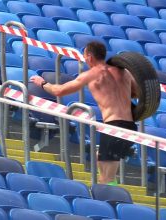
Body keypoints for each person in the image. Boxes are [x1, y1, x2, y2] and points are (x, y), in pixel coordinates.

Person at [30, 41, 138, 185]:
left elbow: (59, 91)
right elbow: (136, 93)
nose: (84, 60)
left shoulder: (92, 74)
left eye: (85, 56)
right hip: (131, 127)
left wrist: (42, 83)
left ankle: (110, 202)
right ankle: (113, 191)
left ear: (90, 57)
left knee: (106, 178)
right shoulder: (124, 72)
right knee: (99, 158)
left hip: (114, 127)